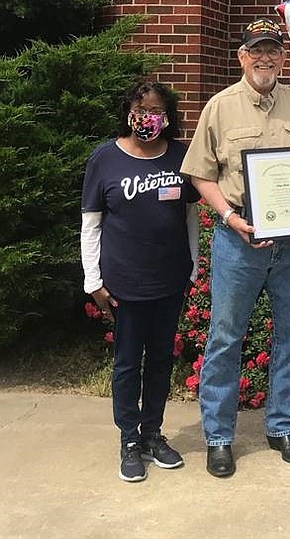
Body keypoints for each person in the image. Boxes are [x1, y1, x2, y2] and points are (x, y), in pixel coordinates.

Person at [181, 17, 290, 477]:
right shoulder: (219, 108)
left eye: (273, 50)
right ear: (242, 56)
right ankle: (219, 435)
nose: (265, 58)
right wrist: (228, 216)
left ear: (283, 57)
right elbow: (200, 173)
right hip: (239, 237)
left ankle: (281, 426)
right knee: (225, 336)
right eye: (256, 50)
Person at [81, 80, 199, 482]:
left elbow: (189, 218)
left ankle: (153, 433)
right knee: (128, 363)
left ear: (167, 117)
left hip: (169, 280)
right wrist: (92, 279)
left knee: (162, 360)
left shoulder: (181, 157)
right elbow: (91, 224)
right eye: (139, 110)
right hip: (123, 285)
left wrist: (194, 266)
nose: (147, 118)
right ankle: (129, 439)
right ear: (128, 113)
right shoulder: (104, 159)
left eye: (155, 111)